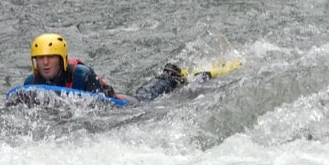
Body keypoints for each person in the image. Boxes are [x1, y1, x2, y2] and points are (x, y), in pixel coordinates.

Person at [24, 33, 202, 102]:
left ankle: (172, 77)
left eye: (50, 57)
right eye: (40, 59)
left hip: (124, 104)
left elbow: (102, 111)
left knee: (146, 97)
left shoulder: (81, 76)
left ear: (61, 59)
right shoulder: (31, 82)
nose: (45, 63)